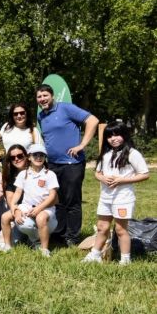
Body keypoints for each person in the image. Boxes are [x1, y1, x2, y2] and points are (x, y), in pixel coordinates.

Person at [36, 84, 100, 246]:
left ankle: (73, 237)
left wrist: (82, 145)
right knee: (58, 201)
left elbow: (93, 120)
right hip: (53, 165)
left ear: (52, 96)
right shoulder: (41, 116)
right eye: (39, 97)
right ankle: (60, 234)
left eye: (45, 95)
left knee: (72, 201)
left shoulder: (66, 108)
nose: (42, 99)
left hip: (72, 163)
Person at [82, 123, 150, 265]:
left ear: (124, 135)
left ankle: (125, 260)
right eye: (109, 136)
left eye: (117, 134)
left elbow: (144, 174)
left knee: (120, 229)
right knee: (102, 227)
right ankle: (95, 255)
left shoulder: (132, 153)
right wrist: (102, 178)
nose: (113, 139)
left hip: (123, 198)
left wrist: (121, 180)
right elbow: (97, 173)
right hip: (106, 198)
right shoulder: (105, 154)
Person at [0, 144, 59, 257]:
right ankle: (7, 246)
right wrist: (13, 206)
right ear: (29, 157)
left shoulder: (50, 174)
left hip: (45, 207)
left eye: (41, 155)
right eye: (35, 155)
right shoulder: (23, 174)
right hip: (26, 205)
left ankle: (44, 249)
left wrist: (39, 208)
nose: (38, 158)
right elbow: (18, 192)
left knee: (41, 219)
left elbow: (52, 196)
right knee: (5, 217)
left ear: (45, 157)